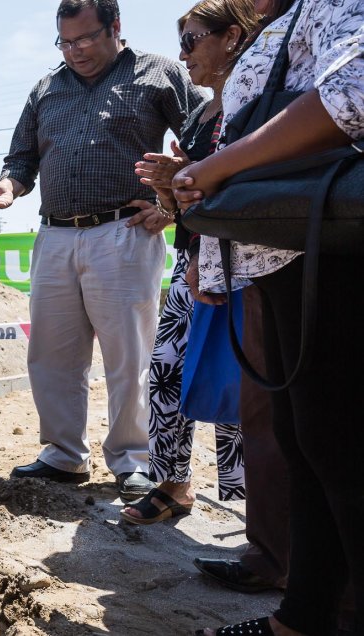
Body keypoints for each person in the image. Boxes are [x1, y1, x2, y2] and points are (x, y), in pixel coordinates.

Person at [171, 0, 364, 632]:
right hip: (282, 255)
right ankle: (303, 616)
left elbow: (349, 98)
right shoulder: (281, 22)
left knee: (336, 444)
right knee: (305, 441)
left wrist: (216, 167)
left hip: (326, 252)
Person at [0, 0, 206, 501]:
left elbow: (205, 137)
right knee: (52, 353)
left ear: (115, 27)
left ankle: (133, 459)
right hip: (55, 235)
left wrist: (173, 209)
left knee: (128, 354)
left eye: (84, 39)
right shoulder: (46, 87)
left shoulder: (159, 74)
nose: (74, 51)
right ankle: (62, 454)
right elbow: (21, 160)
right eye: (65, 41)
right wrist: (9, 189)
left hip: (123, 232)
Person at [120, 0, 260, 525]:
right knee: (164, 372)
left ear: (231, 38)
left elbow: (243, 185)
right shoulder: (201, 114)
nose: (184, 56)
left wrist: (192, 176)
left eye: (192, 41)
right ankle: (172, 485)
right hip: (194, 259)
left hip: (242, 262)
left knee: (233, 379)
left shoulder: (254, 107)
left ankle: (253, 508)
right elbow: (188, 203)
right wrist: (168, 190)